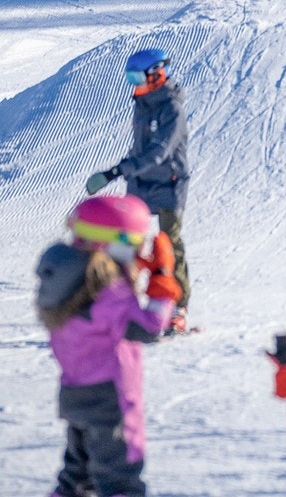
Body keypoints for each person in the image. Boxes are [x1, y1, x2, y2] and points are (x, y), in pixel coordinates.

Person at [37, 194, 180, 497]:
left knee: (77, 477)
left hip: (75, 395)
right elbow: (148, 327)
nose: (139, 252)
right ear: (116, 244)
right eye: (136, 244)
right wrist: (163, 279)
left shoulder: (70, 281)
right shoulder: (109, 291)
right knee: (120, 481)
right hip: (108, 400)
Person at [86, 49, 191, 328]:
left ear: (157, 73)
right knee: (125, 243)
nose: (134, 83)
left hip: (169, 182)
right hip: (140, 183)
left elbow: (160, 151)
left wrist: (118, 170)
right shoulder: (141, 105)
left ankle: (177, 308)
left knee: (168, 245)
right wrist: (123, 170)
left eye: (137, 76)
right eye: (129, 77)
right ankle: (120, 300)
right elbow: (138, 149)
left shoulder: (172, 108)